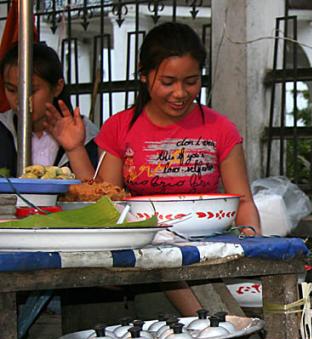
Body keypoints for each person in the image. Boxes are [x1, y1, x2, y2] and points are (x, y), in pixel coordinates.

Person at [47, 22, 261, 315]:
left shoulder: (221, 129)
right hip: (145, 251)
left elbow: (243, 201)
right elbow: (103, 202)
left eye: (191, 81)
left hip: (204, 252)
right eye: (168, 81)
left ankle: (225, 328)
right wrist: (74, 148)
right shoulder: (120, 127)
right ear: (144, 76)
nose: (180, 93)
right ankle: (225, 328)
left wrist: (254, 248)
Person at [0, 42, 98, 179]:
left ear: (57, 87)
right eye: (11, 90)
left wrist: (76, 150)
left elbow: (94, 194)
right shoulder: (3, 129)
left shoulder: (87, 136)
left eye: (32, 91)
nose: (20, 99)